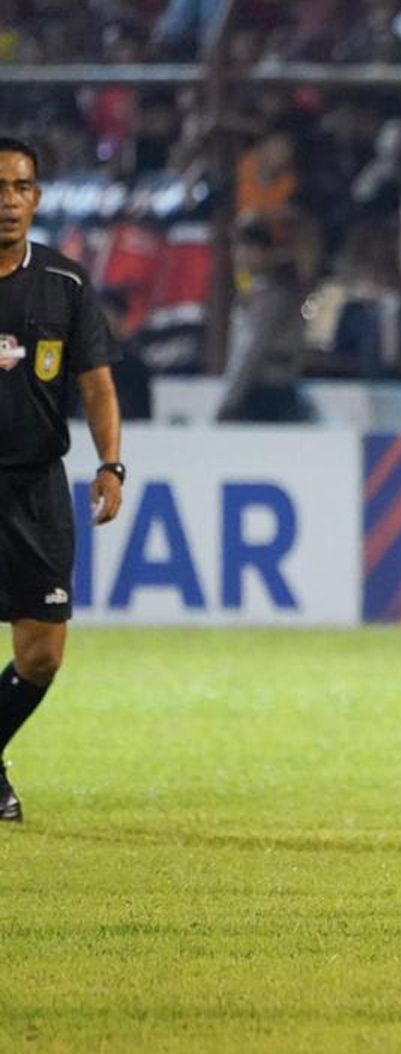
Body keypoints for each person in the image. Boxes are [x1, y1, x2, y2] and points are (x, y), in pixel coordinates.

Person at [0, 136, 126, 823]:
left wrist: (111, 463)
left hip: (35, 487)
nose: (7, 201)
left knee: (42, 654)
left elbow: (98, 385)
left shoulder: (65, 283)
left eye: (20, 187)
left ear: (37, 198)